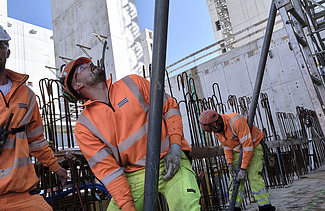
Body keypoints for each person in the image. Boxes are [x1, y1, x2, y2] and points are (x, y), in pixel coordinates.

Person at [59, 57, 201, 211]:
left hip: (170, 159)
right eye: (81, 68)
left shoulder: (133, 83)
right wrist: (128, 207)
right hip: (135, 174)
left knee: (186, 206)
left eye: (87, 63)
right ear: (78, 85)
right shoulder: (85, 126)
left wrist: (175, 146)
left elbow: (170, 109)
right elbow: (109, 171)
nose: (89, 64)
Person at [0, 25, 69, 210]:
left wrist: (57, 168)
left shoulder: (26, 95)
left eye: (0, 46)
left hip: (23, 193)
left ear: (8, 52)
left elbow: (36, 140)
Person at [199, 110, 276, 211]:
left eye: (214, 129)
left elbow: (247, 147)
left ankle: (265, 206)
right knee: (235, 179)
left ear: (218, 121)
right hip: (237, 149)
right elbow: (226, 146)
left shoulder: (236, 123)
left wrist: (243, 169)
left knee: (253, 176)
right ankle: (234, 207)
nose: (214, 132)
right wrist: (230, 163)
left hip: (253, 145)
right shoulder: (216, 129)